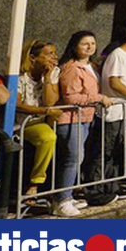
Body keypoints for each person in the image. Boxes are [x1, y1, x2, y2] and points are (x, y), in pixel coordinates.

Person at [86, 20, 126, 204]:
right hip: (114, 112)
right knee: (104, 151)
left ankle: (111, 186)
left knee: (117, 152)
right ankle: (94, 189)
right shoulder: (117, 55)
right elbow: (114, 82)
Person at [54, 31, 111, 215]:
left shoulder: (92, 67)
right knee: (72, 158)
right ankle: (61, 200)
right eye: (84, 43)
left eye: (92, 43)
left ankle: (68, 195)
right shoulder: (71, 68)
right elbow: (71, 96)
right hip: (71, 119)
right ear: (74, 46)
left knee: (76, 158)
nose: (89, 47)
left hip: (85, 117)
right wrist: (99, 97)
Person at [11, 40, 62, 202]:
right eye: (48, 54)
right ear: (33, 58)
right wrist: (43, 111)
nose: (53, 57)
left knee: (49, 137)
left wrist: (47, 78)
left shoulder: (53, 73)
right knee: (47, 137)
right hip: (20, 123)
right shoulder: (21, 77)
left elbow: (50, 101)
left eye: (54, 53)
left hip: (39, 122)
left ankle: (36, 183)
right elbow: (17, 104)